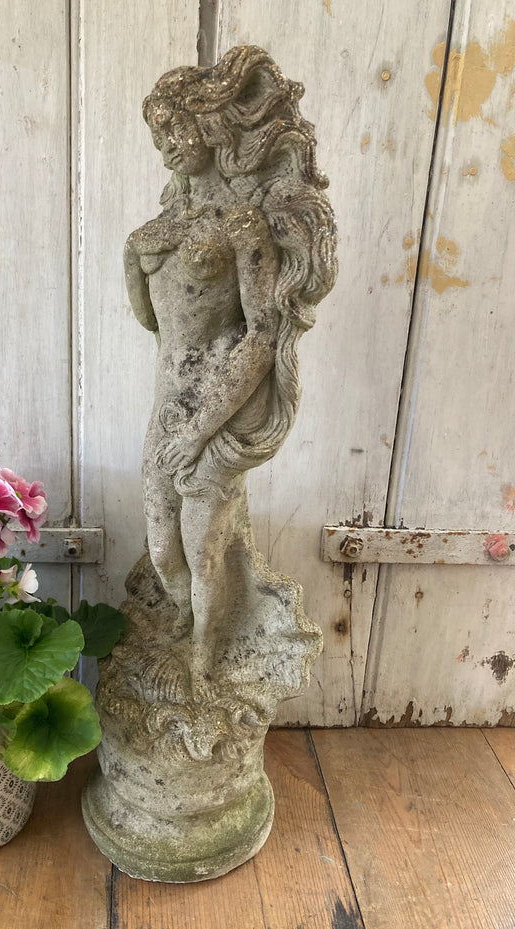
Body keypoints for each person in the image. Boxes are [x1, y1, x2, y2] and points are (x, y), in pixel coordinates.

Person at [124, 45, 337, 694]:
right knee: (164, 548)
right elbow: (151, 323)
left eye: (175, 130)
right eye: (157, 135)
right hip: (167, 408)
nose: (166, 146)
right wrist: (136, 254)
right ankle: (182, 628)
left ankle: (203, 667)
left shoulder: (243, 224)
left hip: (217, 409)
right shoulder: (158, 228)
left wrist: (202, 427)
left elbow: (262, 333)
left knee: (205, 548)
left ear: (212, 131)